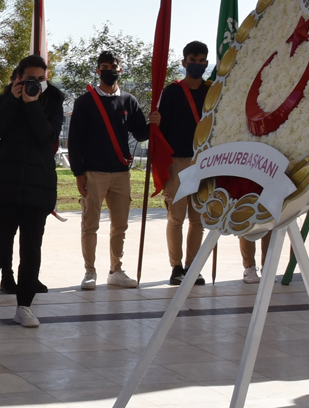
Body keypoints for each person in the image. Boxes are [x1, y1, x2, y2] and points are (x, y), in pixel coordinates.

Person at [0, 56, 64, 330]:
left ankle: (25, 306)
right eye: (27, 79)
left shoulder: (54, 103)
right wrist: (13, 100)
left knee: (30, 250)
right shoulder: (2, 100)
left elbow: (46, 137)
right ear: (16, 77)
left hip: (38, 186)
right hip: (3, 186)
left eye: (39, 79)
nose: (34, 84)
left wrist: (32, 105)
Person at [67, 50, 152, 289]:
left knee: (120, 224)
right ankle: (89, 271)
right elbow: (75, 140)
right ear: (98, 71)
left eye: (113, 65)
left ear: (120, 69)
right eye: (104, 66)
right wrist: (78, 172)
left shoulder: (129, 100)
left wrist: (154, 123)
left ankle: (116, 270)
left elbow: (140, 133)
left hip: (121, 172)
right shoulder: (85, 102)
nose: (109, 70)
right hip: (94, 172)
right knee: (90, 224)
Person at [158, 40, 210, 285]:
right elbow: (162, 131)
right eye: (192, 60)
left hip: (204, 162)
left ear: (207, 63)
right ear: (184, 62)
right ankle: (176, 267)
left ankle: (193, 266)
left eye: (201, 61)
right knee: (176, 218)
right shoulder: (172, 92)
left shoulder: (212, 91)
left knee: (197, 219)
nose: (196, 65)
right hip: (177, 161)